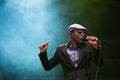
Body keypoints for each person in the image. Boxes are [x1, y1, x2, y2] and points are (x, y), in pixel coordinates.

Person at [38, 23, 104, 80]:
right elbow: (48, 67)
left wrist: (96, 48)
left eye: (84, 33)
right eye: (79, 32)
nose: (83, 34)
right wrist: (43, 53)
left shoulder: (88, 47)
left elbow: (100, 64)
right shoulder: (60, 50)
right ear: (71, 34)